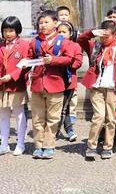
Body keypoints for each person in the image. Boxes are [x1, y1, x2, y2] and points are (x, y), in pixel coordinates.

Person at [26, 10, 74, 159]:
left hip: (55, 83)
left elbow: (69, 59)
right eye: (41, 22)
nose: (43, 25)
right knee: (37, 117)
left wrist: (52, 60)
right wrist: (25, 66)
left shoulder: (62, 41)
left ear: (55, 23)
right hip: (37, 83)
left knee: (53, 117)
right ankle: (38, 145)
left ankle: (49, 145)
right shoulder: (35, 41)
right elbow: (28, 57)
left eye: (46, 22)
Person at [78, 20, 116, 160]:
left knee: (111, 118)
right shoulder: (95, 47)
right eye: (102, 36)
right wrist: (93, 32)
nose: (104, 39)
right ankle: (91, 145)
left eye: (107, 36)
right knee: (98, 116)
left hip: (112, 88)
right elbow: (80, 39)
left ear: (114, 35)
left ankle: (108, 146)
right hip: (97, 87)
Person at [0, 16, 29, 156]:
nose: (8, 33)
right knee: (3, 115)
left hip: (17, 85)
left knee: (19, 114)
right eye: (5, 30)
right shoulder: (1, 45)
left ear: (17, 30)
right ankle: (4, 143)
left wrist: (12, 75)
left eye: (11, 30)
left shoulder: (24, 45)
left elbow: (25, 64)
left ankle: (20, 143)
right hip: (2, 85)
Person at [56, 22, 83, 142]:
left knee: (64, 107)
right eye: (59, 32)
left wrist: (66, 60)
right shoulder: (54, 45)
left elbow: (78, 62)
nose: (61, 34)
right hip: (55, 80)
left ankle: (61, 131)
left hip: (68, 81)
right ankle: (64, 130)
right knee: (58, 107)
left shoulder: (75, 45)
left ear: (70, 33)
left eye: (64, 32)